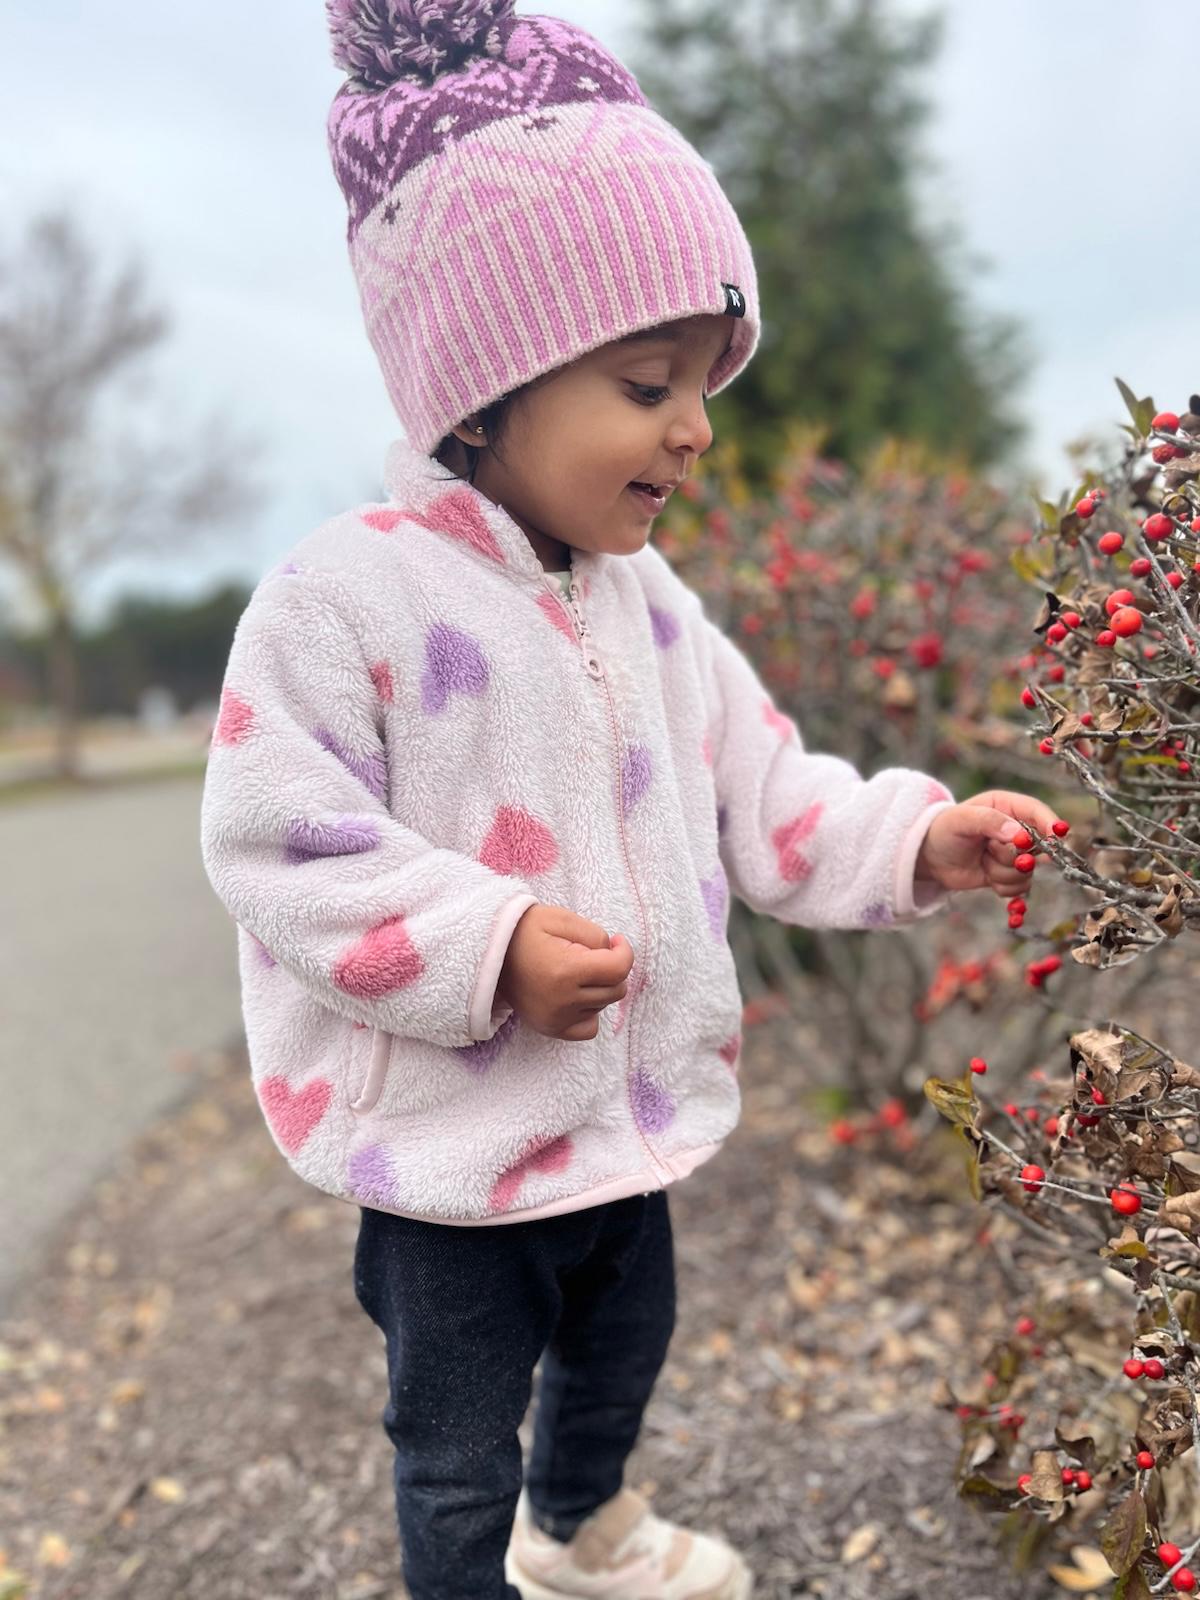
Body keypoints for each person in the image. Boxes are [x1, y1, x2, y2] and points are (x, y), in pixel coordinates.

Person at [198, 4, 1063, 1596]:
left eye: (707, 380)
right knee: (453, 1436)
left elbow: (760, 781)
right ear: (484, 395)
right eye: (648, 380)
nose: (697, 425)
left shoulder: (645, 605)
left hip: (618, 1126)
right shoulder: (345, 602)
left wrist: (912, 839)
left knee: (623, 1348)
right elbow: (277, 835)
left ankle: (581, 1533)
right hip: (450, 1161)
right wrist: (489, 941)